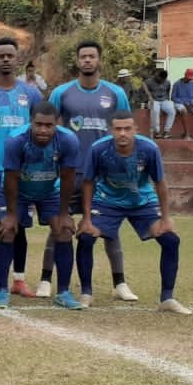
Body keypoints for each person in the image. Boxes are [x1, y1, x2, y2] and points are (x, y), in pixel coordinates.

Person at [49, 42, 136, 303]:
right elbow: (48, 126)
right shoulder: (61, 92)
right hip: (69, 170)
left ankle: (120, 283)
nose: (87, 60)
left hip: (104, 173)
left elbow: (126, 127)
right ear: (77, 61)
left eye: (92, 56)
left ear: (99, 60)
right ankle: (45, 279)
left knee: (109, 227)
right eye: (83, 57)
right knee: (59, 223)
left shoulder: (116, 92)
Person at [80, 111, 190, 314]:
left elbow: (160, 183)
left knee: (171, 240)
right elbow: (87, 182)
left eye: (127, 129)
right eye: (118, 129)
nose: (123, 133)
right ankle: (86, 293)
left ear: (135, 130)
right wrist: (86, 218)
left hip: (142, 202)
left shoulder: (149, 148)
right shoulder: (98, 149)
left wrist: (166, 218)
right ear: (111, 130)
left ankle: (167, 298)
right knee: (86, 237)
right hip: (107, 202)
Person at [0, 37, 44, 298]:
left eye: (10, 55)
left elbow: (41, 131)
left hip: (20, 173)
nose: (5, 59)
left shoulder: (31, 94)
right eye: (0, 55)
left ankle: (19, 279)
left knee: (19, 227)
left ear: (17, 59)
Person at [0, 103, 82, 309]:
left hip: (49, 190)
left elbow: (68, 177)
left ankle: (63, 292)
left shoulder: (68, 140)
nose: (43, 130)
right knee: (7, 231)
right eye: (38, 124)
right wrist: (11, 214)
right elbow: (11, 178)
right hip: (18, 191)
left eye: (49, 125)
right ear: (31, 122)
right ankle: (1, 290)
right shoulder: (16, 141)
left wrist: (64, 213)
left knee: (63, 231)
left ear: (57, 124)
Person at [171, 69, 193, 138]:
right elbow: (173, 97)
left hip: (189, 103)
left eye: (191, 78)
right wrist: (184, 102)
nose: (189, 80)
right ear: (185, 75)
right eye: (188, 78)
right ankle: (186, 133)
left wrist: (192, 103)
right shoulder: (177, 84)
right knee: (183, 110)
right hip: (178, 103)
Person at [144, 68, 174, 138]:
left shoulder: (167, 82)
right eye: (160, 79)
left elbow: (168, 91)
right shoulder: (150, 81)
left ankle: (166, 131)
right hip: (153, 100)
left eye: (163, 80)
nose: (162, 81)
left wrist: (168, 99)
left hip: (164, 100)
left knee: (172, 111)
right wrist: (149, 95)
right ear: (157, 76)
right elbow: (144, 84)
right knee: (155, 111)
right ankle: (156, 132)